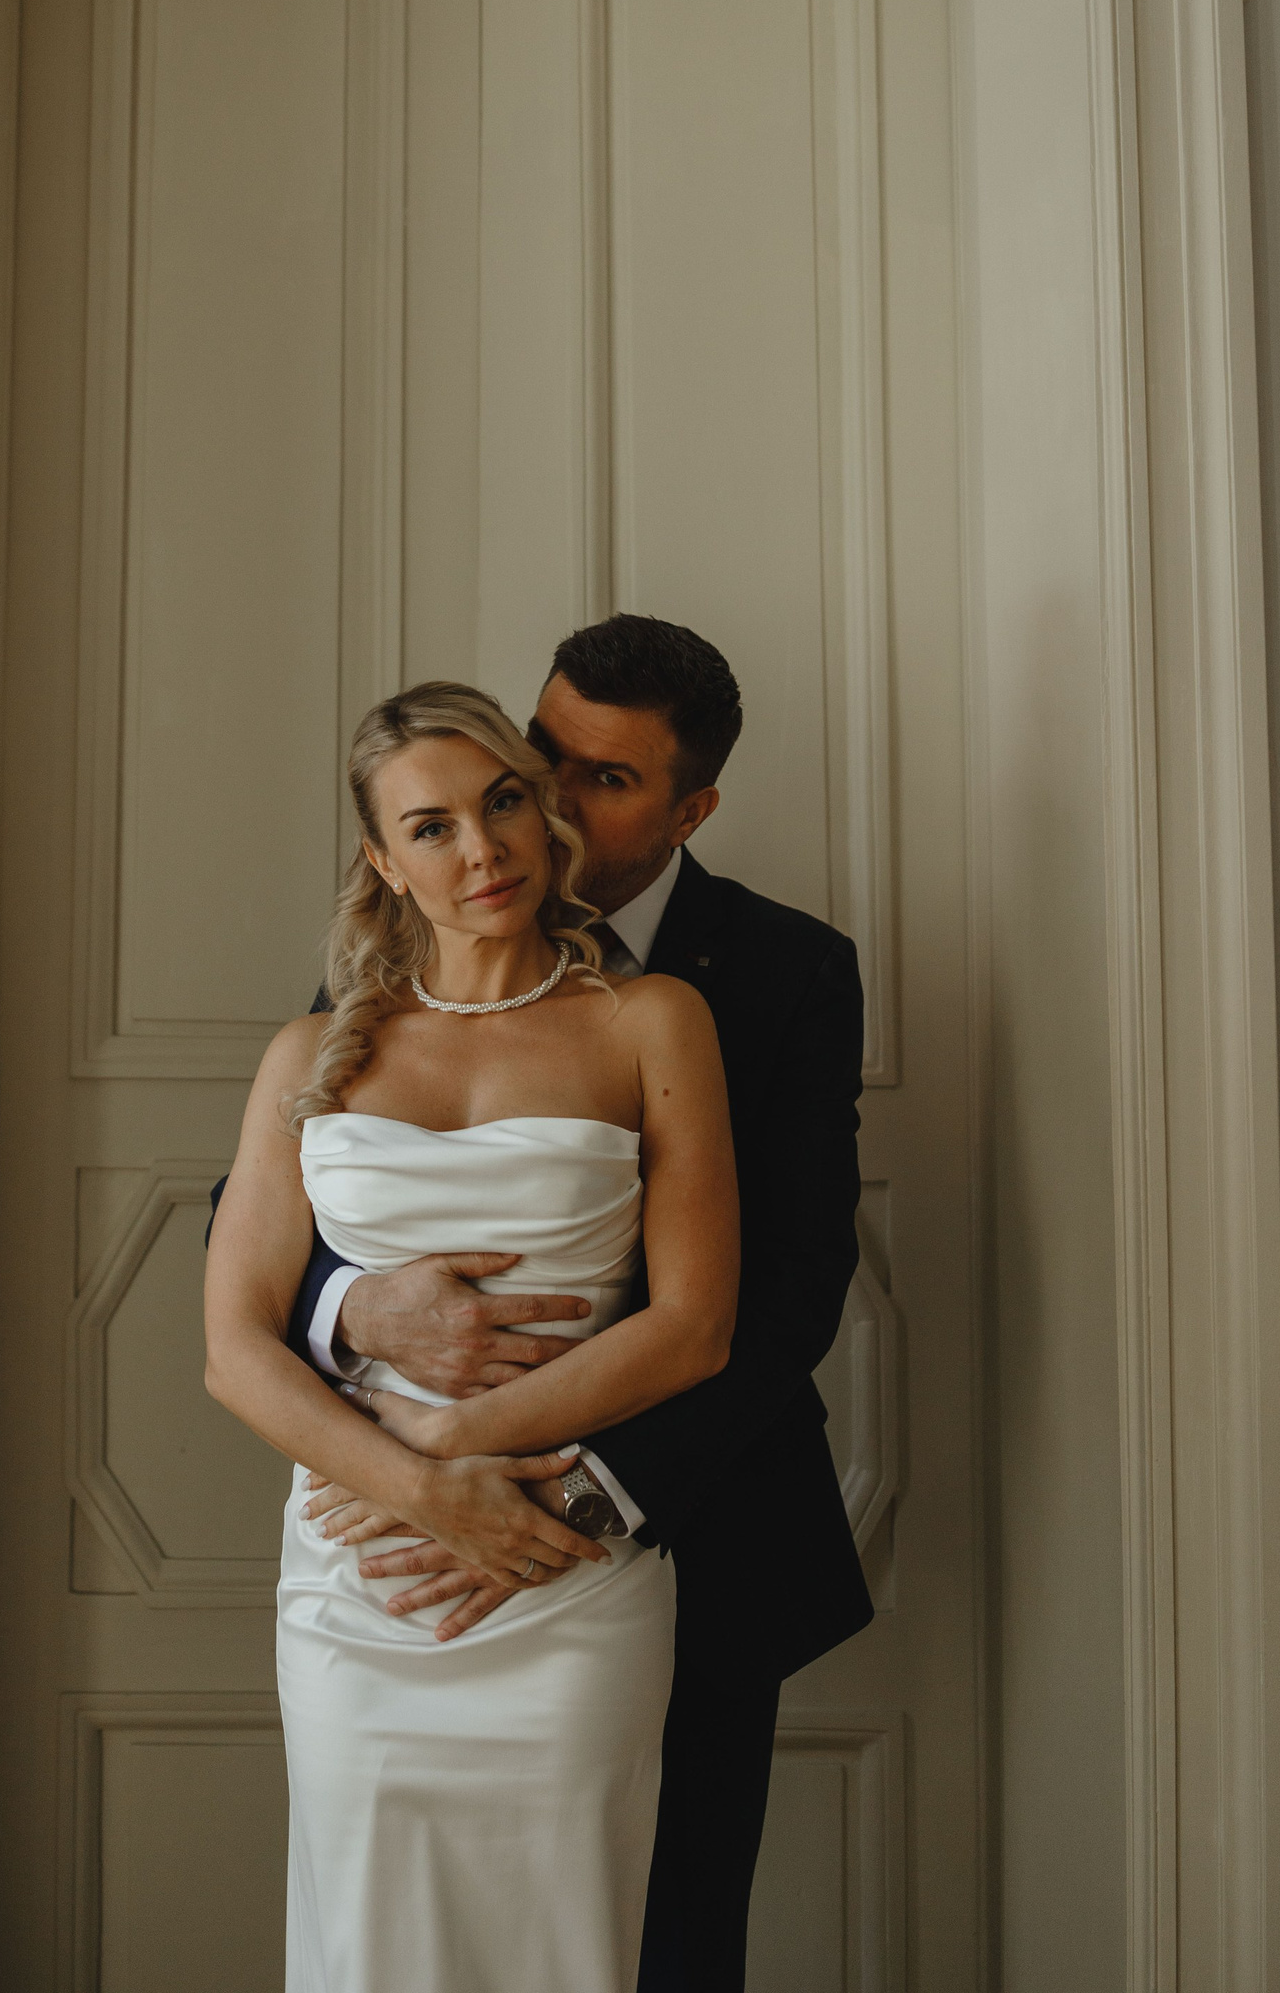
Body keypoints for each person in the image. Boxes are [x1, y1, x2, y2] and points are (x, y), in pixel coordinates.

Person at [284, 616, 871, 1990]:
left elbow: (787, 1292)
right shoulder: (403, 946)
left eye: (604, 779)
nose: (539, 801)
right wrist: (361, 1314)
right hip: (384, 1554)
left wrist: (574, 1493)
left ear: (689, 809)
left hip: (680, 1522)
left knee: (663, 1947)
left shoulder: (781, 972)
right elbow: (280, 1215)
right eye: (540, 752)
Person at [205, 680, 740, 1993]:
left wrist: (454, 1453)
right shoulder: (310, 1052)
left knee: (567, 1934)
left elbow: (695, 1327)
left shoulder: (652, 1019)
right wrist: (411, 1489)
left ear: (542, 809)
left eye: (501, 803)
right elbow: (234, 1346)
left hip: (565, 1568)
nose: (482, 850)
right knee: (369, 1936)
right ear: (384, 861)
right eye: (430, 827)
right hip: (359, 1581)